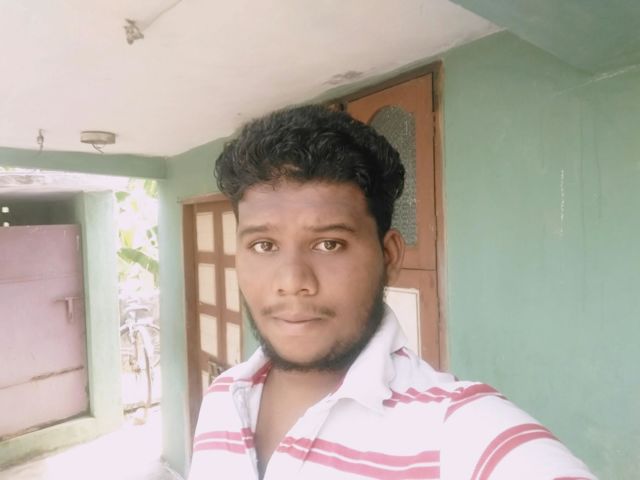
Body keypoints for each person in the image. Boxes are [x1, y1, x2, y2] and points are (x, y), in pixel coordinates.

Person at [188, 105, 596, 480]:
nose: (293, 280)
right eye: (264, 245)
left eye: (329, 244)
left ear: (389, 256)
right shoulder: (223, 398)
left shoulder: (458, 431)